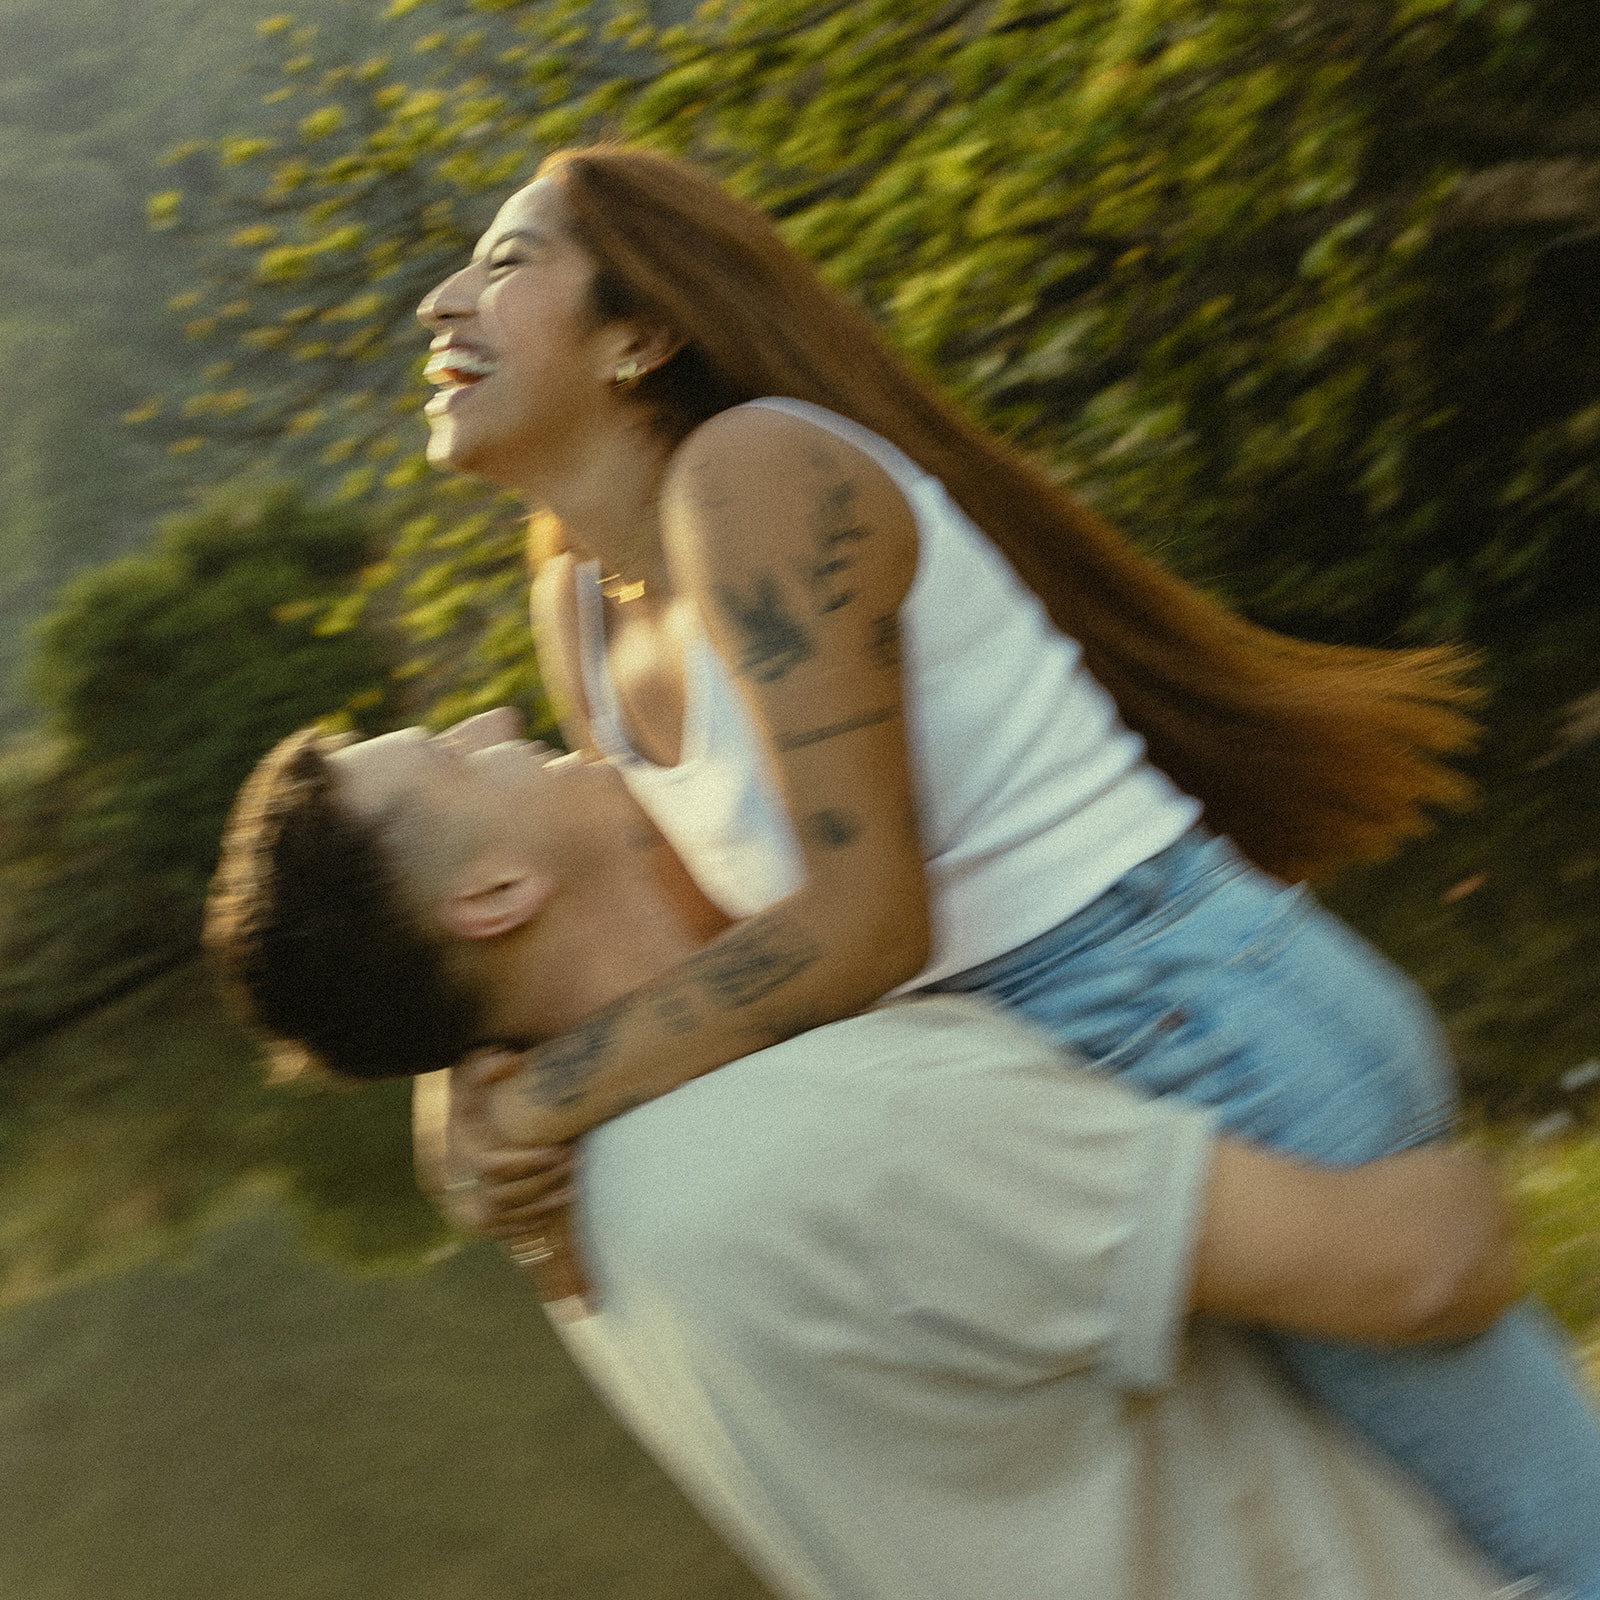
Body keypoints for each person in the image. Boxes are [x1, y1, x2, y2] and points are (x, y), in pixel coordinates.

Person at [408, 145, 1600, 1594]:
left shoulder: (757, 475)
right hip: (1028, 1104)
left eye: (509, 259)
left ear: (641, 333)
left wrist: (541, 1100)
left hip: (1189, 1020)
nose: (442, 301)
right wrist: (466, 1084)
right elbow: (695, 953)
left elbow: (855, 925)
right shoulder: (578, 607)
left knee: (1553, 1550)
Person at [205, 715, 1519, 1600]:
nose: (501, 725)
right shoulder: (850, 1116)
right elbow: (1430, 1270)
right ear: (493, 899)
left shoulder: (574, 1199)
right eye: (456, 754)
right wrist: (1430, 1144)